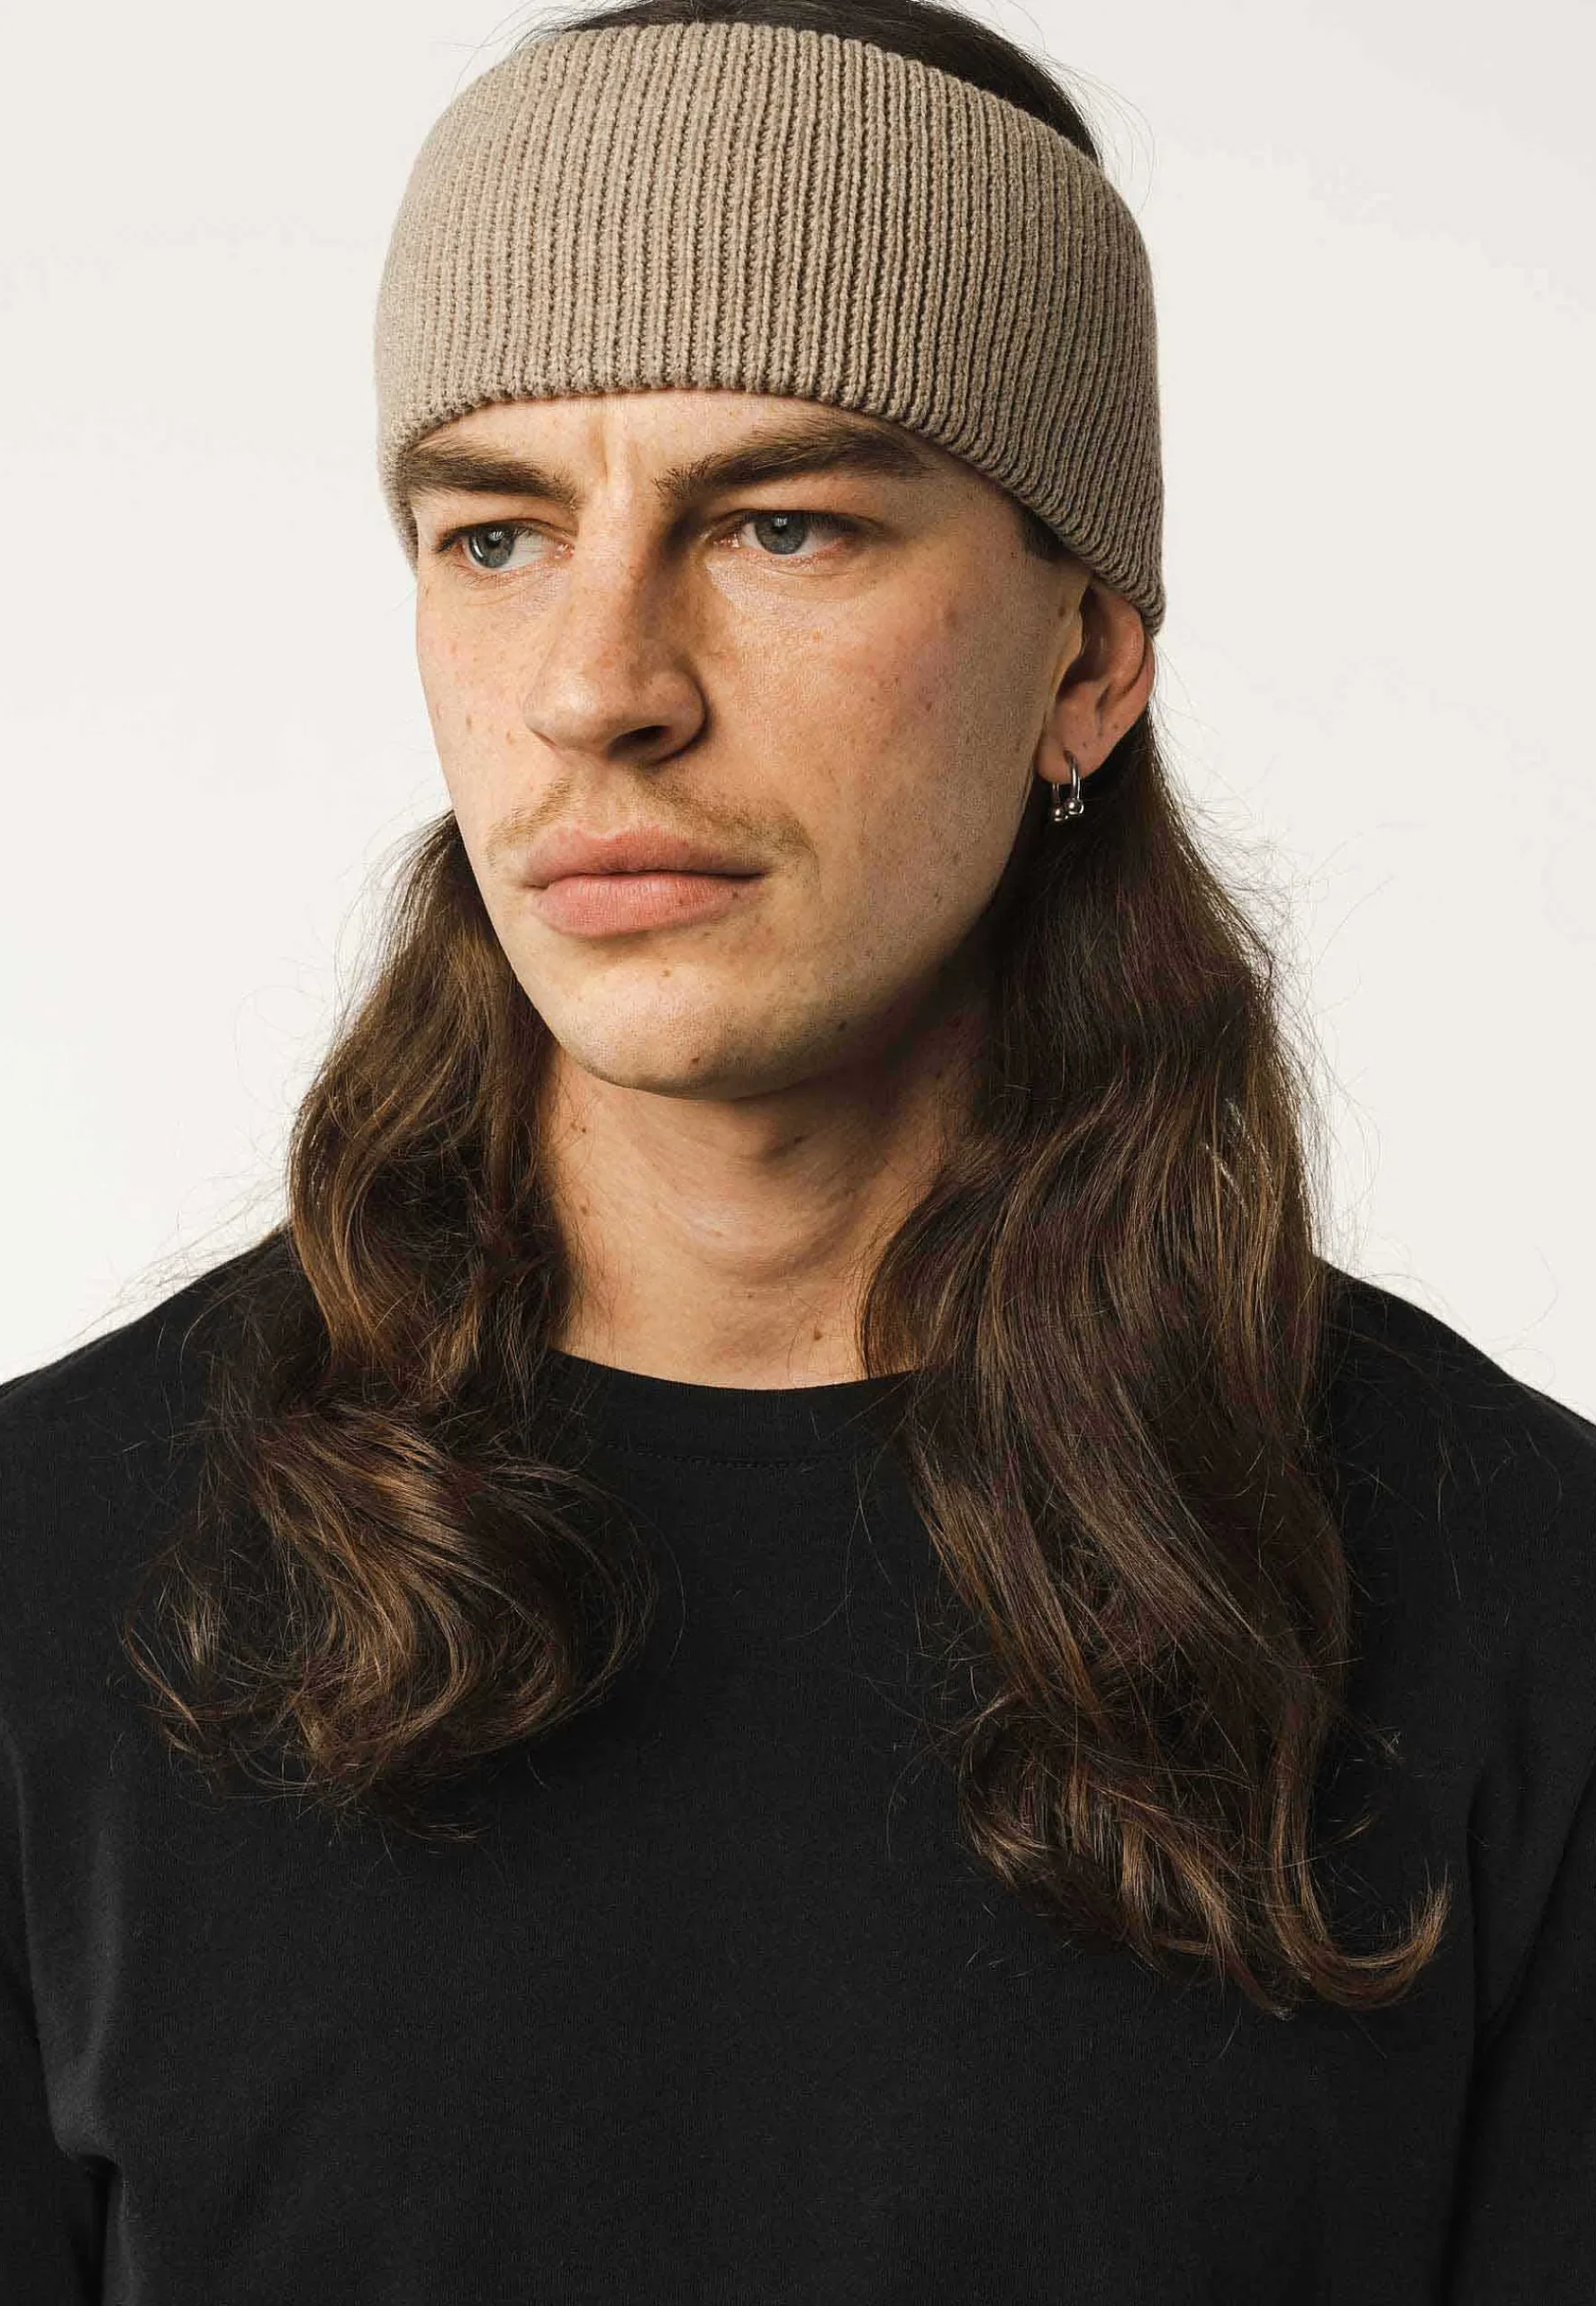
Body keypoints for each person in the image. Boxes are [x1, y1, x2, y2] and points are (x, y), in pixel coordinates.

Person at [2, 1, 1592, 2298]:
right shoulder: (55, 1583)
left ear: (1087, 657)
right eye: (495, 532)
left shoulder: (1518, 1598)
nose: (597, 683)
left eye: (783, 523)